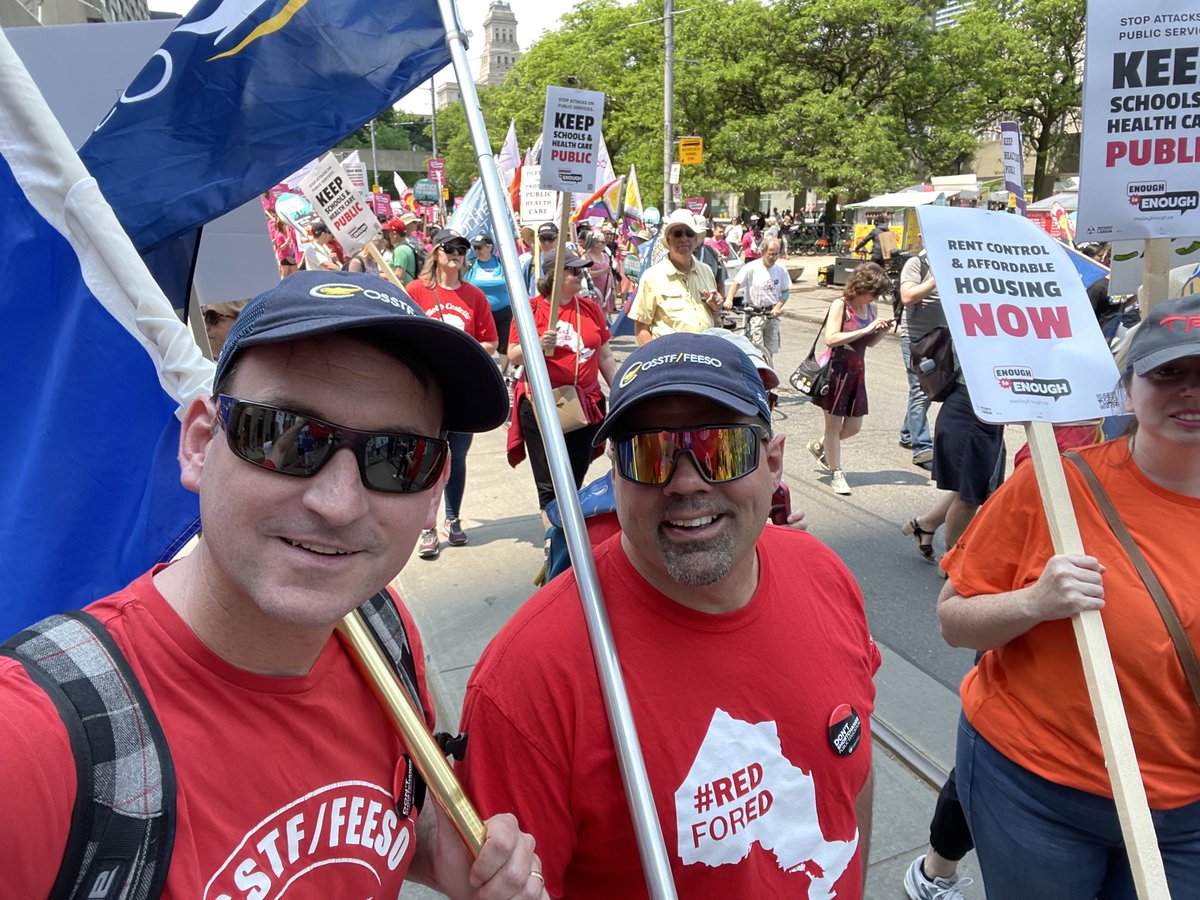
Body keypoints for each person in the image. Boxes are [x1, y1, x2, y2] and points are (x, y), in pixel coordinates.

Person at [0, 271, 545, 897]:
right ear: (201, 443)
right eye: (286, 437)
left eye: (396, 457)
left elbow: (377, 813)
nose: (339, 503)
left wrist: (437, 854)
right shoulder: (32, 748)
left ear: (433, 491)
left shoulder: (384, 629)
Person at [457, 332, 878, 899]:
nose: (685, 482)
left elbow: (851, 781)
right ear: (614, 476)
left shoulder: (826, 577)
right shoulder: (529, 680)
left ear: (773, 463)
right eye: (649, 454)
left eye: (720, 449)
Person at [936, 293, 1200, 899]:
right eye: (1169, 373)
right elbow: (954, 621)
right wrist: (1035, 602)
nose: (1191, 391)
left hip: (1186, 813)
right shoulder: (1056, 486)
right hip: (1036, 790)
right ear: (1128, 390)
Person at [901, 248, 1005, 564]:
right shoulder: (974, 313)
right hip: (970, 408)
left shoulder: (990, 310)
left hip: (985, 407)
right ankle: (955, 561)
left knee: (973, 486)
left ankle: (926, 524)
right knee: (970, 493)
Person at [405, 229, 499, 559]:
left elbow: (491, 342)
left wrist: (465, 352)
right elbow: (403, 335)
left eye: (462, 249)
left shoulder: (474, 296)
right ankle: (426, 526)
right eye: (450, 248)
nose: (456, 253)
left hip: (461, 392)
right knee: (427, 457)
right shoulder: (417, 291)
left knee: (455, 459)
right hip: (426, 395)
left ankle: (452, 517)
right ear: (436, 253)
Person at [506, 253, 617, 530]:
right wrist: (538, 343)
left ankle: (567, 530)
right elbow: (513, 355)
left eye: (581, 271)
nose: (581, 275)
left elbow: (604, 355)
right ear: (552, 277)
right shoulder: (531, 309)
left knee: (573, 476)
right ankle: (552, 539)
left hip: (584, 404)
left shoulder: (590, 308)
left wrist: (619, 390)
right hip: (542, 404)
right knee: (548, 482)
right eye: (573, 271)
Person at [807, 263, 894, 496]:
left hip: (857, 372)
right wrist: (866, 330)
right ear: (862, 286)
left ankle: (822, 445)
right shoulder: (841, 305)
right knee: (834, 427)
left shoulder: (871, 307)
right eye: (873, 292)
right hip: (836, 371)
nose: (875, 297)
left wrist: (880, 332)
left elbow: (869, 344)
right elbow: (831, 338)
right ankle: (836, 474)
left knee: (854, 426)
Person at [629, 208, 720, 345]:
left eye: (689, 233)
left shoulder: (706, 271)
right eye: (678, 233)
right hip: (670, 361)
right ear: (668, 239)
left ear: (695, 240)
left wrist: (716, 308)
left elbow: (715, 319)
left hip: (705, 356)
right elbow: (641, 327)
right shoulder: (652, 276)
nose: (684, 238)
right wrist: (655, 361)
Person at [897, 248, 936, 471]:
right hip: (916, 338)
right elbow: (908, 296)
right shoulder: (917, 263)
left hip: (942, 338)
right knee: (920, 389)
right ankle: (922, 447)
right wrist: (936, 279)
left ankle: (907, 433)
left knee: (927, 390)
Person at [724, 235, 789, 365]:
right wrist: (729, 299)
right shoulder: (751, 267)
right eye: (770, 254)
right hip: (755, 313)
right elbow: (736, 283)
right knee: (757, 348)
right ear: (763, 252)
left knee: (770, 349)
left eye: (776, 254)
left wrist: (778, 307)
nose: (773, 257)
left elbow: (786, 292)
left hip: (772, 314)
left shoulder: (781, 269)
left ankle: (768, 371)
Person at [464, 233, 514, 377]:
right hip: (481, 313)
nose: (477, 251)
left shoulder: (501, 264)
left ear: (490, 247)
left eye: (480, 247)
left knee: (504, 347)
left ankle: (505, 376)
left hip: (503, 312)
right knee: (481, 345)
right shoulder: (471, 265)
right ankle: (482, 373)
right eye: (475, 248)